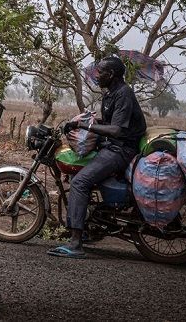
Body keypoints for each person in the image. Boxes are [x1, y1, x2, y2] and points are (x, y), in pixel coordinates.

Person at [47, 55, 147, 259]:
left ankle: (76, 244)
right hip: (111, 146)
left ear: (111, 74)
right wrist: (80, 121)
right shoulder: (112, 94)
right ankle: (90, 224)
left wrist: (85, 126)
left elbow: (117, 130)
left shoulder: (124, 93)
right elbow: (109, 121)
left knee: (80, 182)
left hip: (121, 150)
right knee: (78, 176)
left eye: (100, 72)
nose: (97, 75)